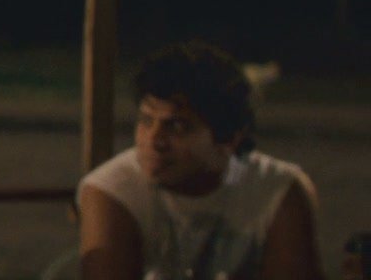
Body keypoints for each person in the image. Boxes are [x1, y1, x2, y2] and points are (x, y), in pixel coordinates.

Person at [78, 40, 322, 279]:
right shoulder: (113, 189)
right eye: (146, 121)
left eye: (177, 126)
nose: (154, 141)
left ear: (230, 138)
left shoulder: (277, 189)